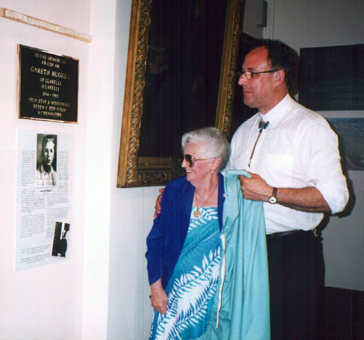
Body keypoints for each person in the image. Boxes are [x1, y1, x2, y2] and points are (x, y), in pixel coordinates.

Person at [229, 39, 349, 340]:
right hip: (245, 250)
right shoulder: (243, 131)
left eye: (250, 72)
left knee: (288, 332)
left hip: (289, 254)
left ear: (278, 76)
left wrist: (271, 193)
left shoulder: (311, 127)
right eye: (242, 72)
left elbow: (336, 199)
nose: (241, 80)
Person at [146, 127, 270, 340]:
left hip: (217, 294)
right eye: (183, 157)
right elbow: (155, 241)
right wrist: (156, 288)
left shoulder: (234, 194)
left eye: (190, 159)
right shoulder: (175, 190)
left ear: (214, 163)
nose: (184, 164)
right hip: (175, 290)